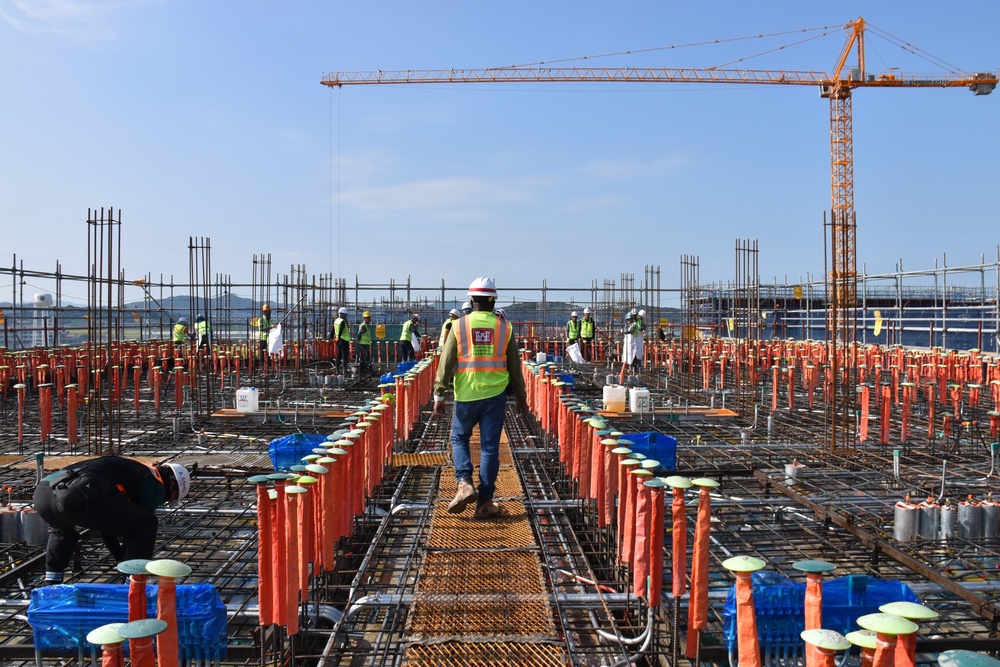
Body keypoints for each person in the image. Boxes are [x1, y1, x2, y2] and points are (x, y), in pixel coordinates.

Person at [433, 277, 528, 520]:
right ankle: (485, 501)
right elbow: (515, 367)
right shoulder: (505, 327)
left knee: (459, 438)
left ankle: (464, 482)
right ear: (493, 300)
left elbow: (445, 363)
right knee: (489, 448)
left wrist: (438, 394)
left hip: (466, 394)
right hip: (495, 395)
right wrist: (521, 397)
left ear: (472, 300)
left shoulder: (458, 326)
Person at [33, 457, 191, 584]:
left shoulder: (131, 470)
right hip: (78, 493)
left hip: (43, 495)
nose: (163, 501)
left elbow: (110, 524)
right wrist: (125, 562)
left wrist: (120, 559)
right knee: (147, 523)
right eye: (170, 499)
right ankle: (134, 582)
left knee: (64, 532)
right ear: (172, 484)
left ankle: (51, 584)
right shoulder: (155, 485)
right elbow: (132, 527)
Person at [331, 307, 352, 374]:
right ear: (344, 315)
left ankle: (337, 370)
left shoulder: (336, 321)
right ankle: (344, 370)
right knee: (344, 355)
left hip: (338, 341)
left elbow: (333, 330)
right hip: (343, 340)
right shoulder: (342, 321)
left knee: (339, 355)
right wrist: (339, 337)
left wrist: (331, 338)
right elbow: (341, 328)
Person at [357, 311, 374, 375]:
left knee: (364, 356)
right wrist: (358, 339)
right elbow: (359, 333)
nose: (369, 319)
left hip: (365, 344)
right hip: (363, 344)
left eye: (369, 317)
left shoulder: (366, 325)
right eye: (367, 318)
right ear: (364, 318)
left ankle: (363, 370)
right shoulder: (364, 326)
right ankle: (366, 369)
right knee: (366, 356)